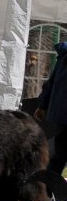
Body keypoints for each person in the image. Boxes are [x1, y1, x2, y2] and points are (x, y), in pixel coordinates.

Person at [34, 41, 67, 176]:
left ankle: (47, 189)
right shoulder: (64, 56)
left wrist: (42, 105)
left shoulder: (64, 56)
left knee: (59, 155)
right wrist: (42, 106)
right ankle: (47, 189)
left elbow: (50, 83)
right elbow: (51, 83)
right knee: (59, 155)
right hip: (63, 115)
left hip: (62, 116)